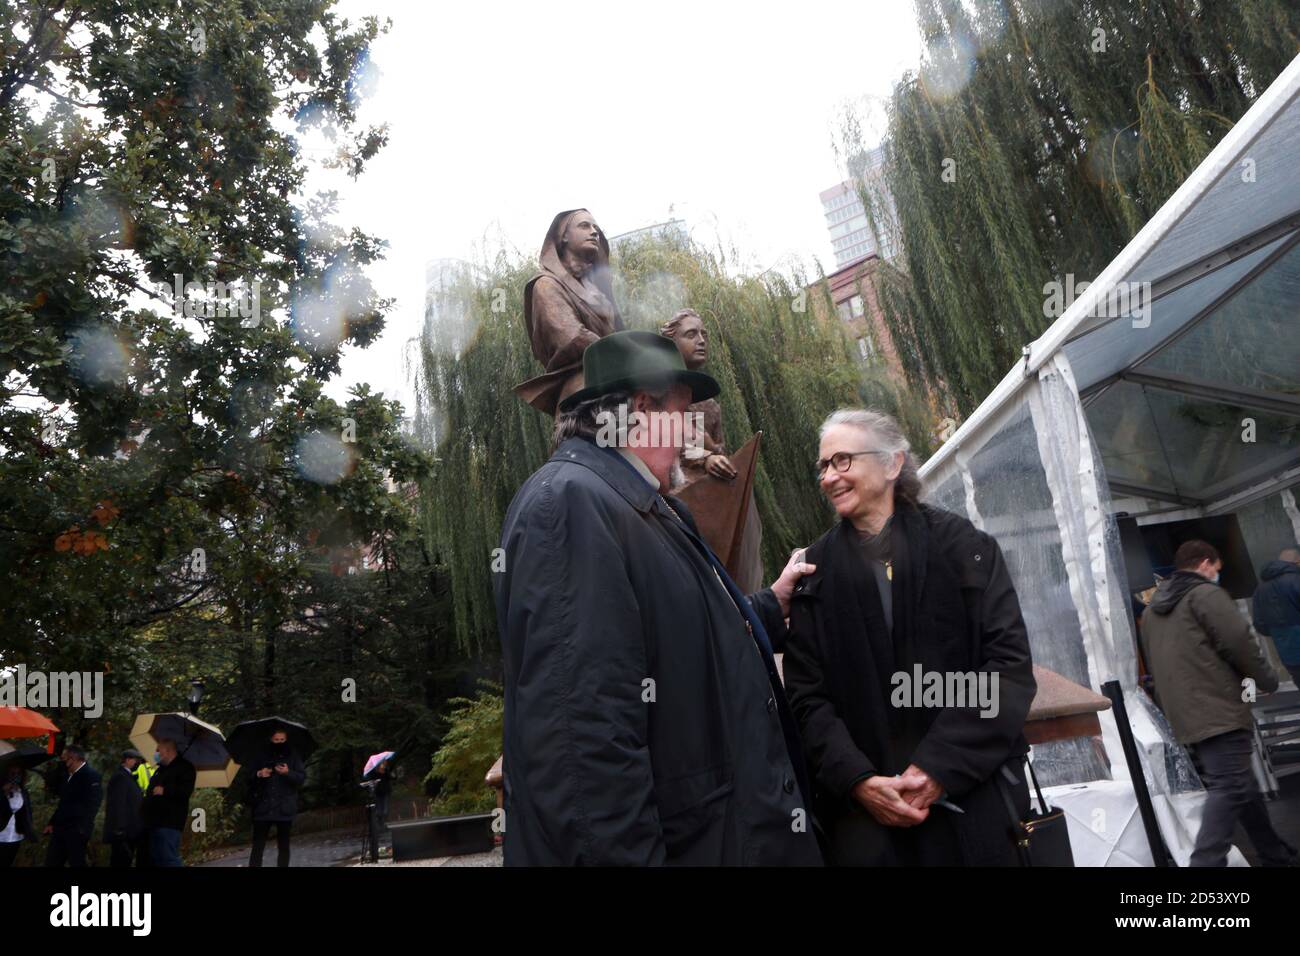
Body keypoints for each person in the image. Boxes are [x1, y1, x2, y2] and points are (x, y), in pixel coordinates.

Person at [496, 329, 822, 865]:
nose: (693, 430)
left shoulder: (643, 506)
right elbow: (585, 747)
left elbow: (680, 634)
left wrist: (768, 606)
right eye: (683, 412)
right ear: (641, 408)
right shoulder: (570, 505)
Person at [783, 409, 1037, 866]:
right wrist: (858, 779)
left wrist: (938, 766)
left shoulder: (964, 549)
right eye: (823, 466)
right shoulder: (814, 576)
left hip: (970, 810)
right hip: (868, 828)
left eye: (842, 461)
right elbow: (806, 699)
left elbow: (1007, 670)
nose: (828, 478)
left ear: (892, 464)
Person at [1142, 539, 1296, 866]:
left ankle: (1273, 853)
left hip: (1184, 715)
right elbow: (1240, 641)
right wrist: (1266, 680)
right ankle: (1206, 863)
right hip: (1217, 707)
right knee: (1229, 787)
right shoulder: (1205, 596)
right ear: (1204, 563)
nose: (1217, 574)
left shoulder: (1153, 612)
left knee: (1242, 785)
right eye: (1216, 568)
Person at [514, 209, 623, 415]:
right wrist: (624, 354)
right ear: (563, 236)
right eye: (584, 226)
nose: (593, 232)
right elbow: (571, 339)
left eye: (596, 229)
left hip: (618, 392)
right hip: (582, 399)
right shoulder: (546, 285)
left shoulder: (598, 292)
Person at [247, 727, 306, 867]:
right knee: (257, 847)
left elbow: (301, 778)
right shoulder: (260, 755)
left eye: (282, 740)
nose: (279, 742)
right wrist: (259, 774)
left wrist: (287, 772)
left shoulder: (293, 755)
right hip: (263, 807)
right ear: (270, 739)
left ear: (286, 740)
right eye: (276, 740)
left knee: (284, 847)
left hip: (285, 808)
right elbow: (248, 778)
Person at [43, 745, 102, 867]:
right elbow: (64, 803)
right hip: (60, 829)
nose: (63, 762)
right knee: (52, 861)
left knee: (76, 862)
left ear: (73, 758)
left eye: (65, 759)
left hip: (76, 830)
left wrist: (82, 829)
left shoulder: (91, 775)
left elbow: (93, 804)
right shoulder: (69, 776)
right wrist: (52, 822)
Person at [141, 738, 196, 867]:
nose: (156, 753)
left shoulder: (185, 768)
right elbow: (150, 791)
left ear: (167, 751)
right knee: (158, 859)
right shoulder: (160, 770)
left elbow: (185, 792)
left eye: (157, 750)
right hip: (154, 822)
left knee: (169, 858)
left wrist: (165, 791)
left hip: (170, 822)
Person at [1252, 545, 1300, 677]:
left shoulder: (1260, 590)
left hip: (1288, 655)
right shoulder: (1296, 580)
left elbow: (1260, 624)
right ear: (1298, 561)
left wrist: (1281, 633)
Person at [104, 748, 146, 868]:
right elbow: (118, 804)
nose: (138, 763)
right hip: (123, 832)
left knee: (125, 860)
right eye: (136, 760)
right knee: (120, 861)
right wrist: (119, 829)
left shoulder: (128, 777)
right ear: (127, 760)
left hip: (129, 831)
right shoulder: (121, 777)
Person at [0, 764, 34, 867]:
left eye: (18, 773)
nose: (16, 776)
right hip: (1, 834)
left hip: (15, 836)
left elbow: (27, 811)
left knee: (8, 862)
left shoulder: (23, 792)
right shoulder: (2, 789)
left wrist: (29, 829)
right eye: (13, 774)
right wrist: (3, 793)